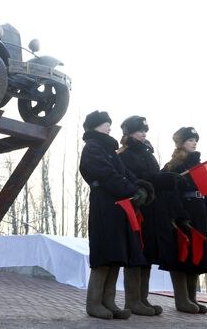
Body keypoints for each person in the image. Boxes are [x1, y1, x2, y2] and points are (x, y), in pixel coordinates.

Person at [79, 110, 153, 320]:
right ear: (95, 126)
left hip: (117, 205)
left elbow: (125, 173)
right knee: (103, 254)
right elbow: (106, 174)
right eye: (105, 124)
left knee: (115, 253)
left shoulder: (108, 149)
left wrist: (140, 186)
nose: (109, 127)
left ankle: (109, 302)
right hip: (104, 203)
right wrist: (132, 190)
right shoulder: (92, 148)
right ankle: (94, 303)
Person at [162, 127, 207, 314]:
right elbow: (168, 195)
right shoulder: (172, 167)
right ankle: (182, 300)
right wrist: (179, 216)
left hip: (199, 214)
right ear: (180, 143)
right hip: (182, 216)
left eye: (195, 140)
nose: (194, 142)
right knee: (182, 255)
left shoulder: (201, 167)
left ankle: (192, 298)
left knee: (197, 256)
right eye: (190, 140)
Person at [117, 116, 166, 316]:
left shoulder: (148, 153)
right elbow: (129, 179)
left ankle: (143, 298)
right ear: (129, 133)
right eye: (140, 130)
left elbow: (154, 176)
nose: (144, 134)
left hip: (151, 209)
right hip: (136, 208)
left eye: (145, 130)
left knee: (147, 254)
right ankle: (132, 301)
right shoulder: (125, 155)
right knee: (136, 253)